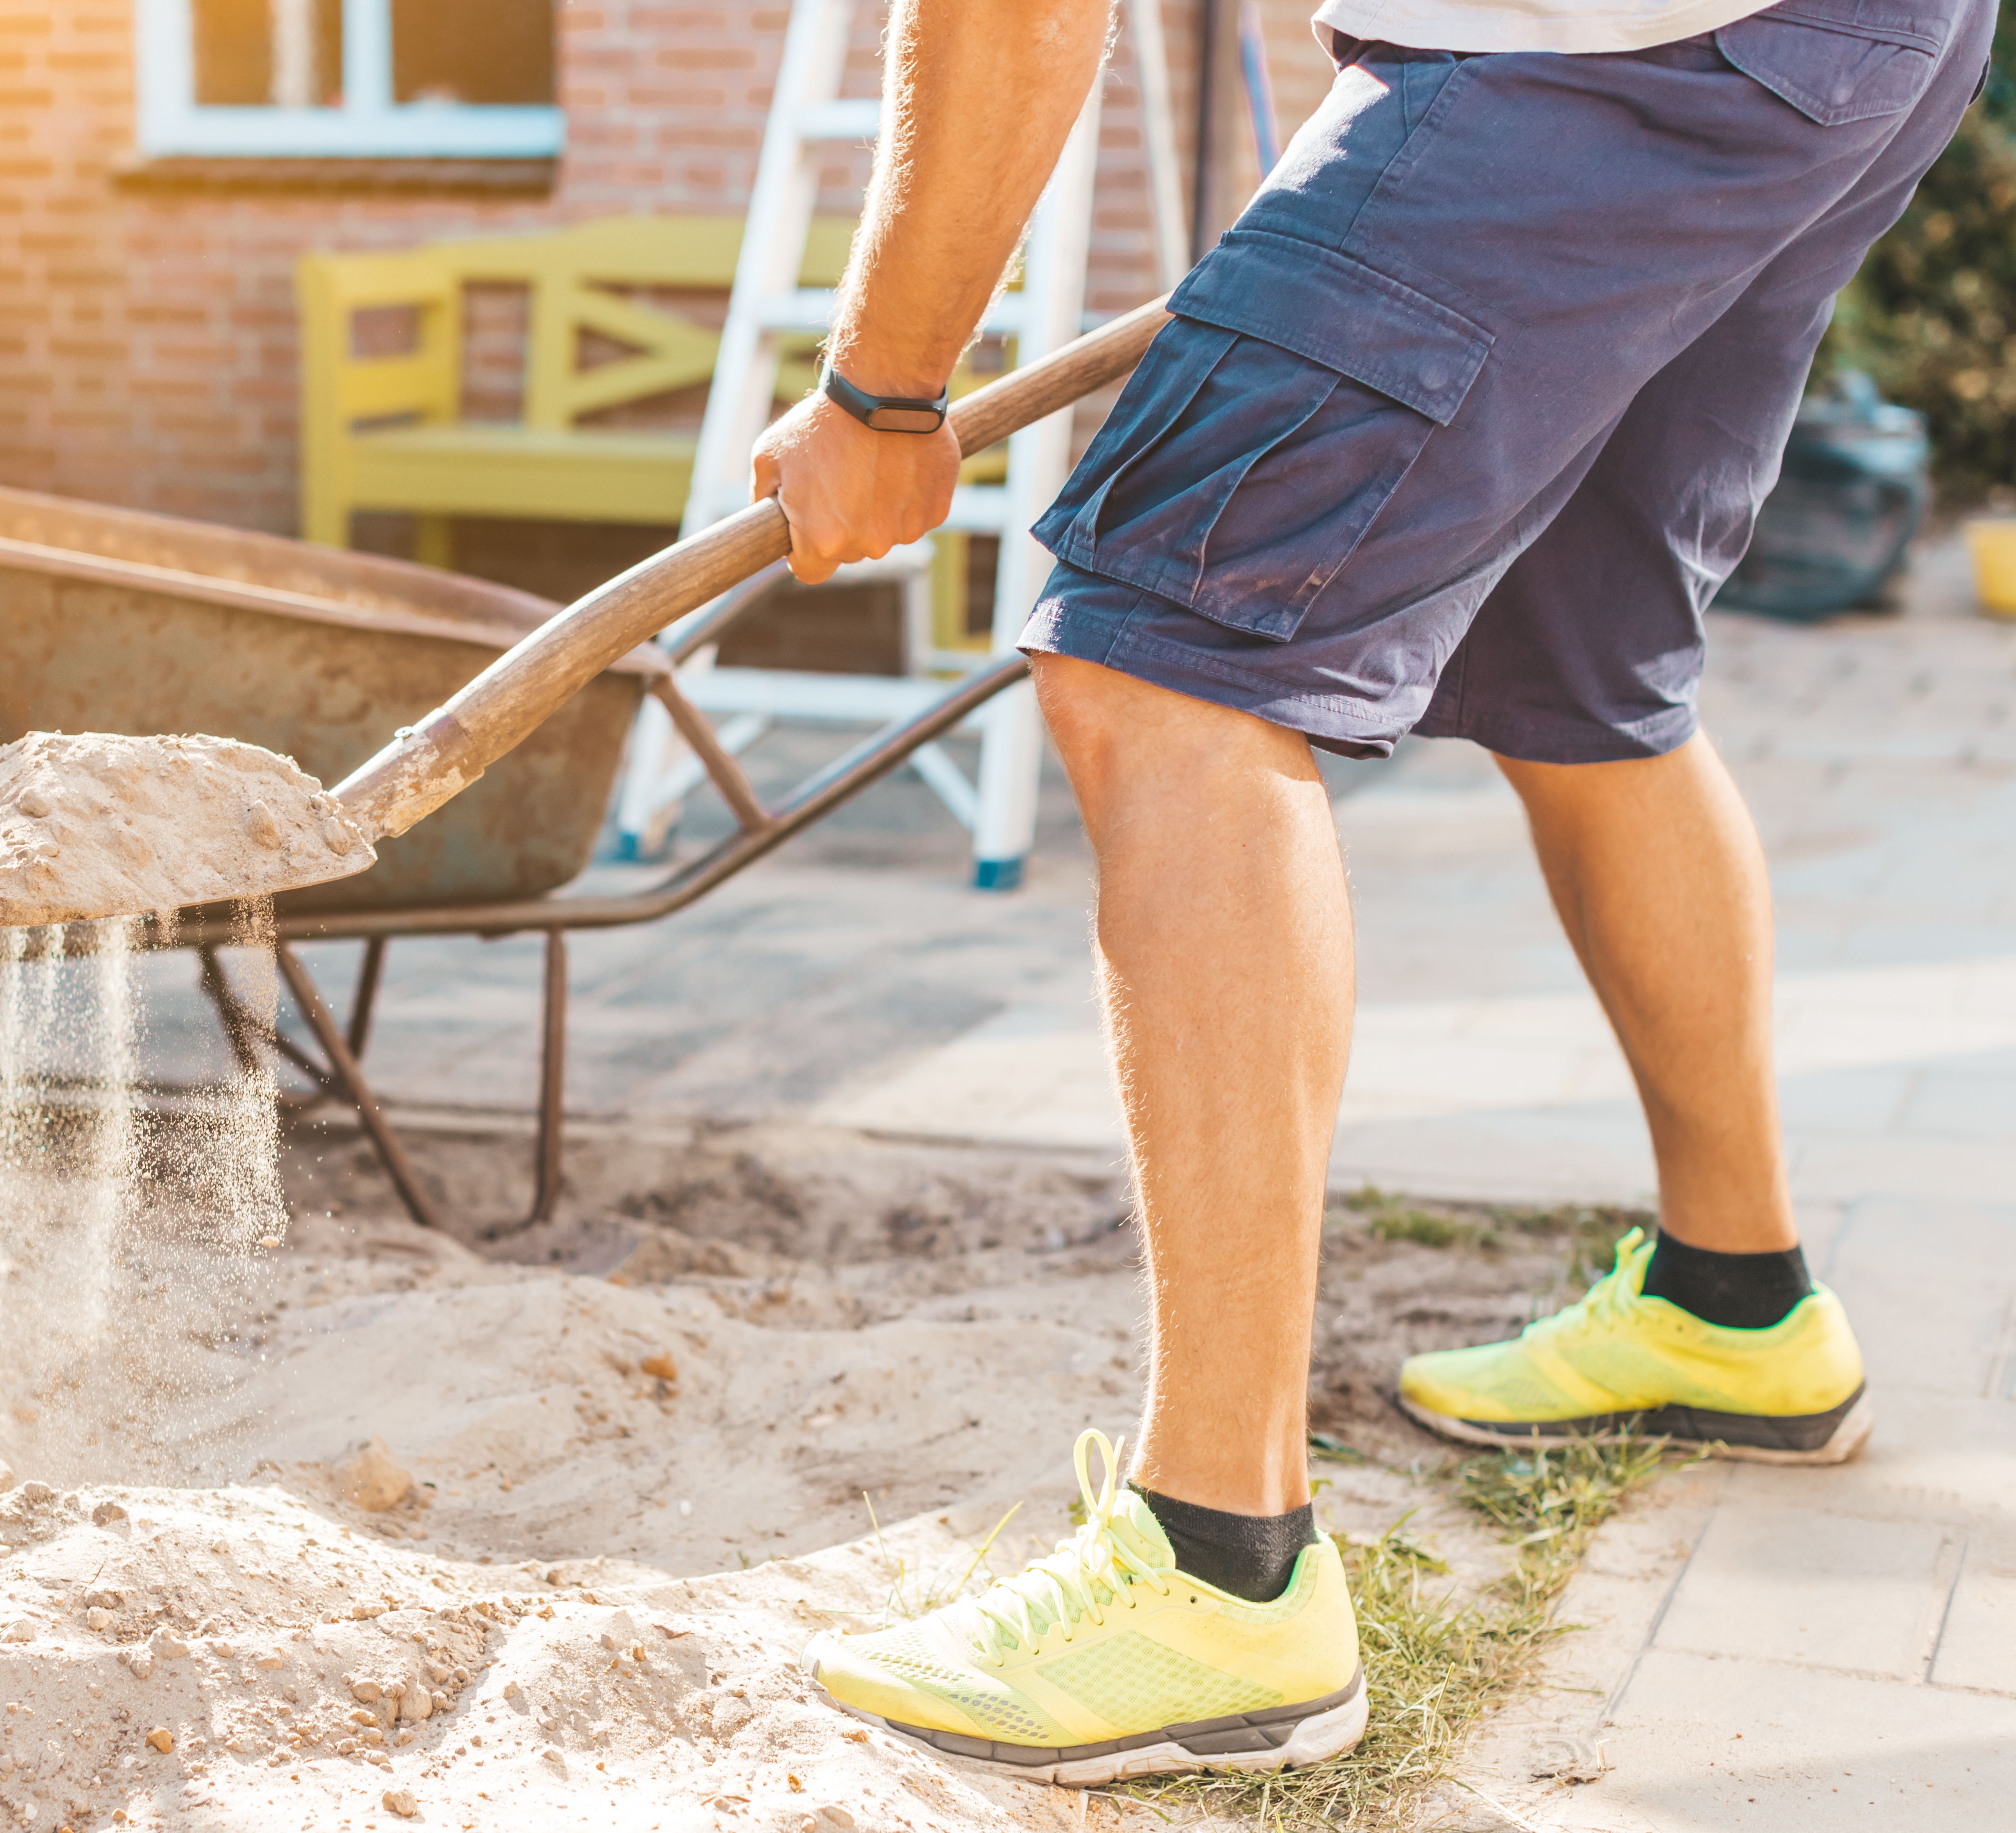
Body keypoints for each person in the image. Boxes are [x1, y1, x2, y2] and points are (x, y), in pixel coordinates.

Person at [779, 0, 1983, 1785]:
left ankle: (1217, 1573)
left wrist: (883, 391)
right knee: (1589, 665)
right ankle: (1735, 1309)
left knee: (1172, 661)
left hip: (1611, 51)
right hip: (1838, 38)